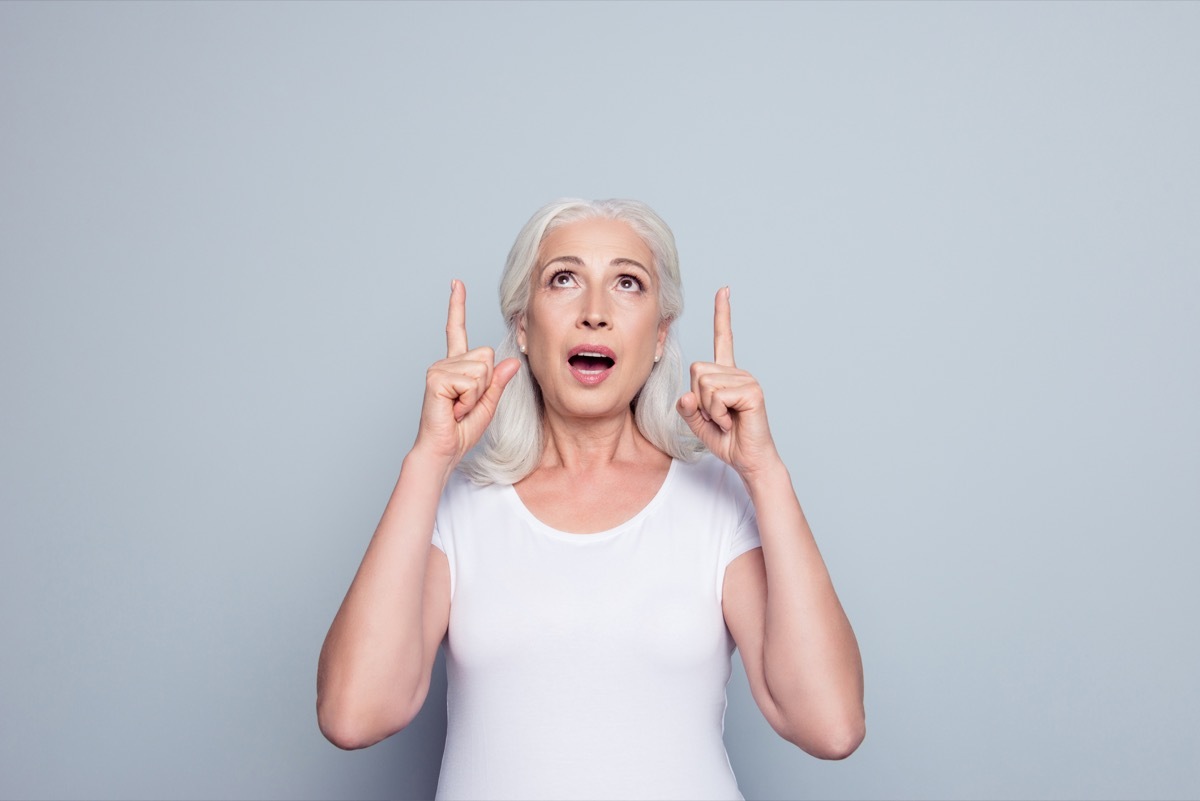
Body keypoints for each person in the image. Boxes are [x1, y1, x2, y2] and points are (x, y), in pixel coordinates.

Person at [317, 199, 865, 800]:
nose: (595, 313)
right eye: (564, 280)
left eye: (627, 283)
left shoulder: (718, 503)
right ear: (523, 328)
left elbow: (830, 725)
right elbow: (353, 715)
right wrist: (428, 459)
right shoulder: (458, 508)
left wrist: (765, 472)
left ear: (660, 337)